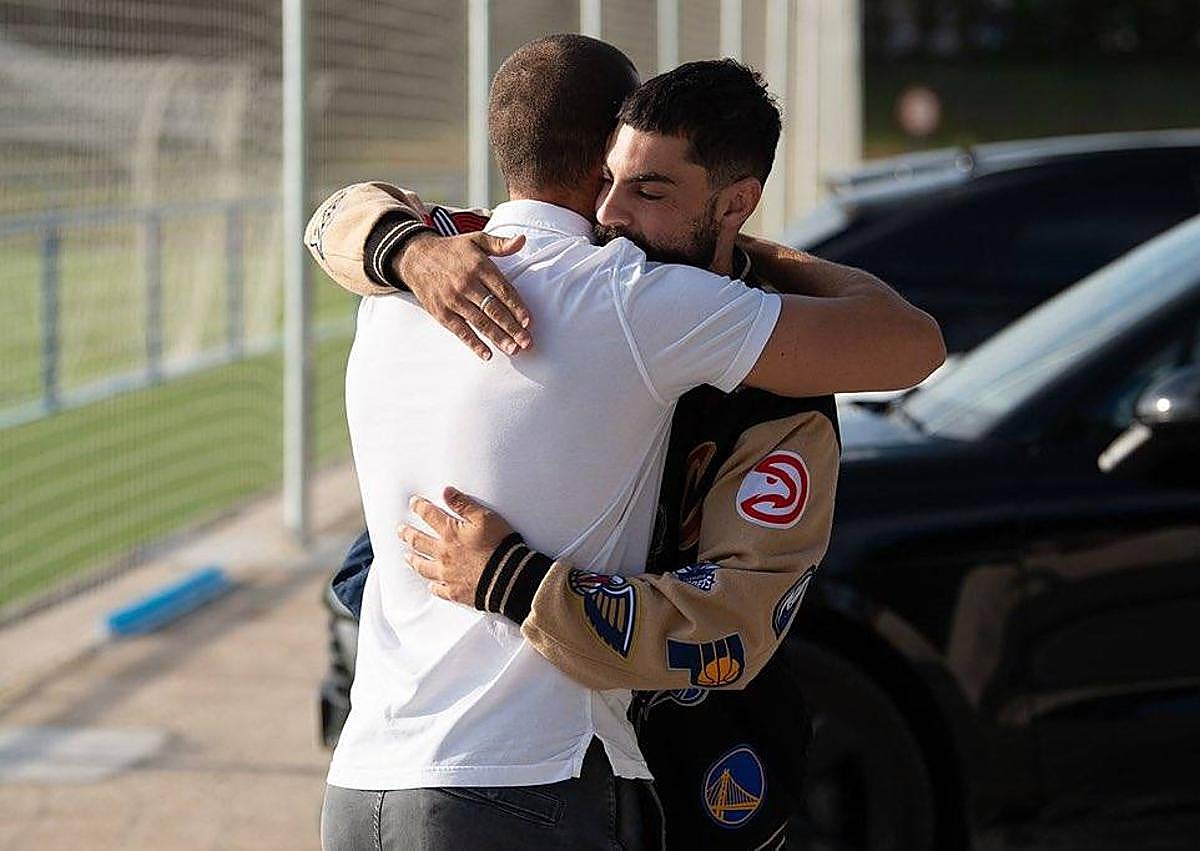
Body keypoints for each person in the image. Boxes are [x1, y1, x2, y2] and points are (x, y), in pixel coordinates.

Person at [308, 37, 944, 851]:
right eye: (611, 180)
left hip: (372, 787)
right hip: (529, 781)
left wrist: (401, 245)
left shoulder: (406, 284)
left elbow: (736, 619)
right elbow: (908, 341)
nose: (613, 214)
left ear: (734, 201)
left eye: (646, 189)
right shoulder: (628, 297)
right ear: (596, 152)